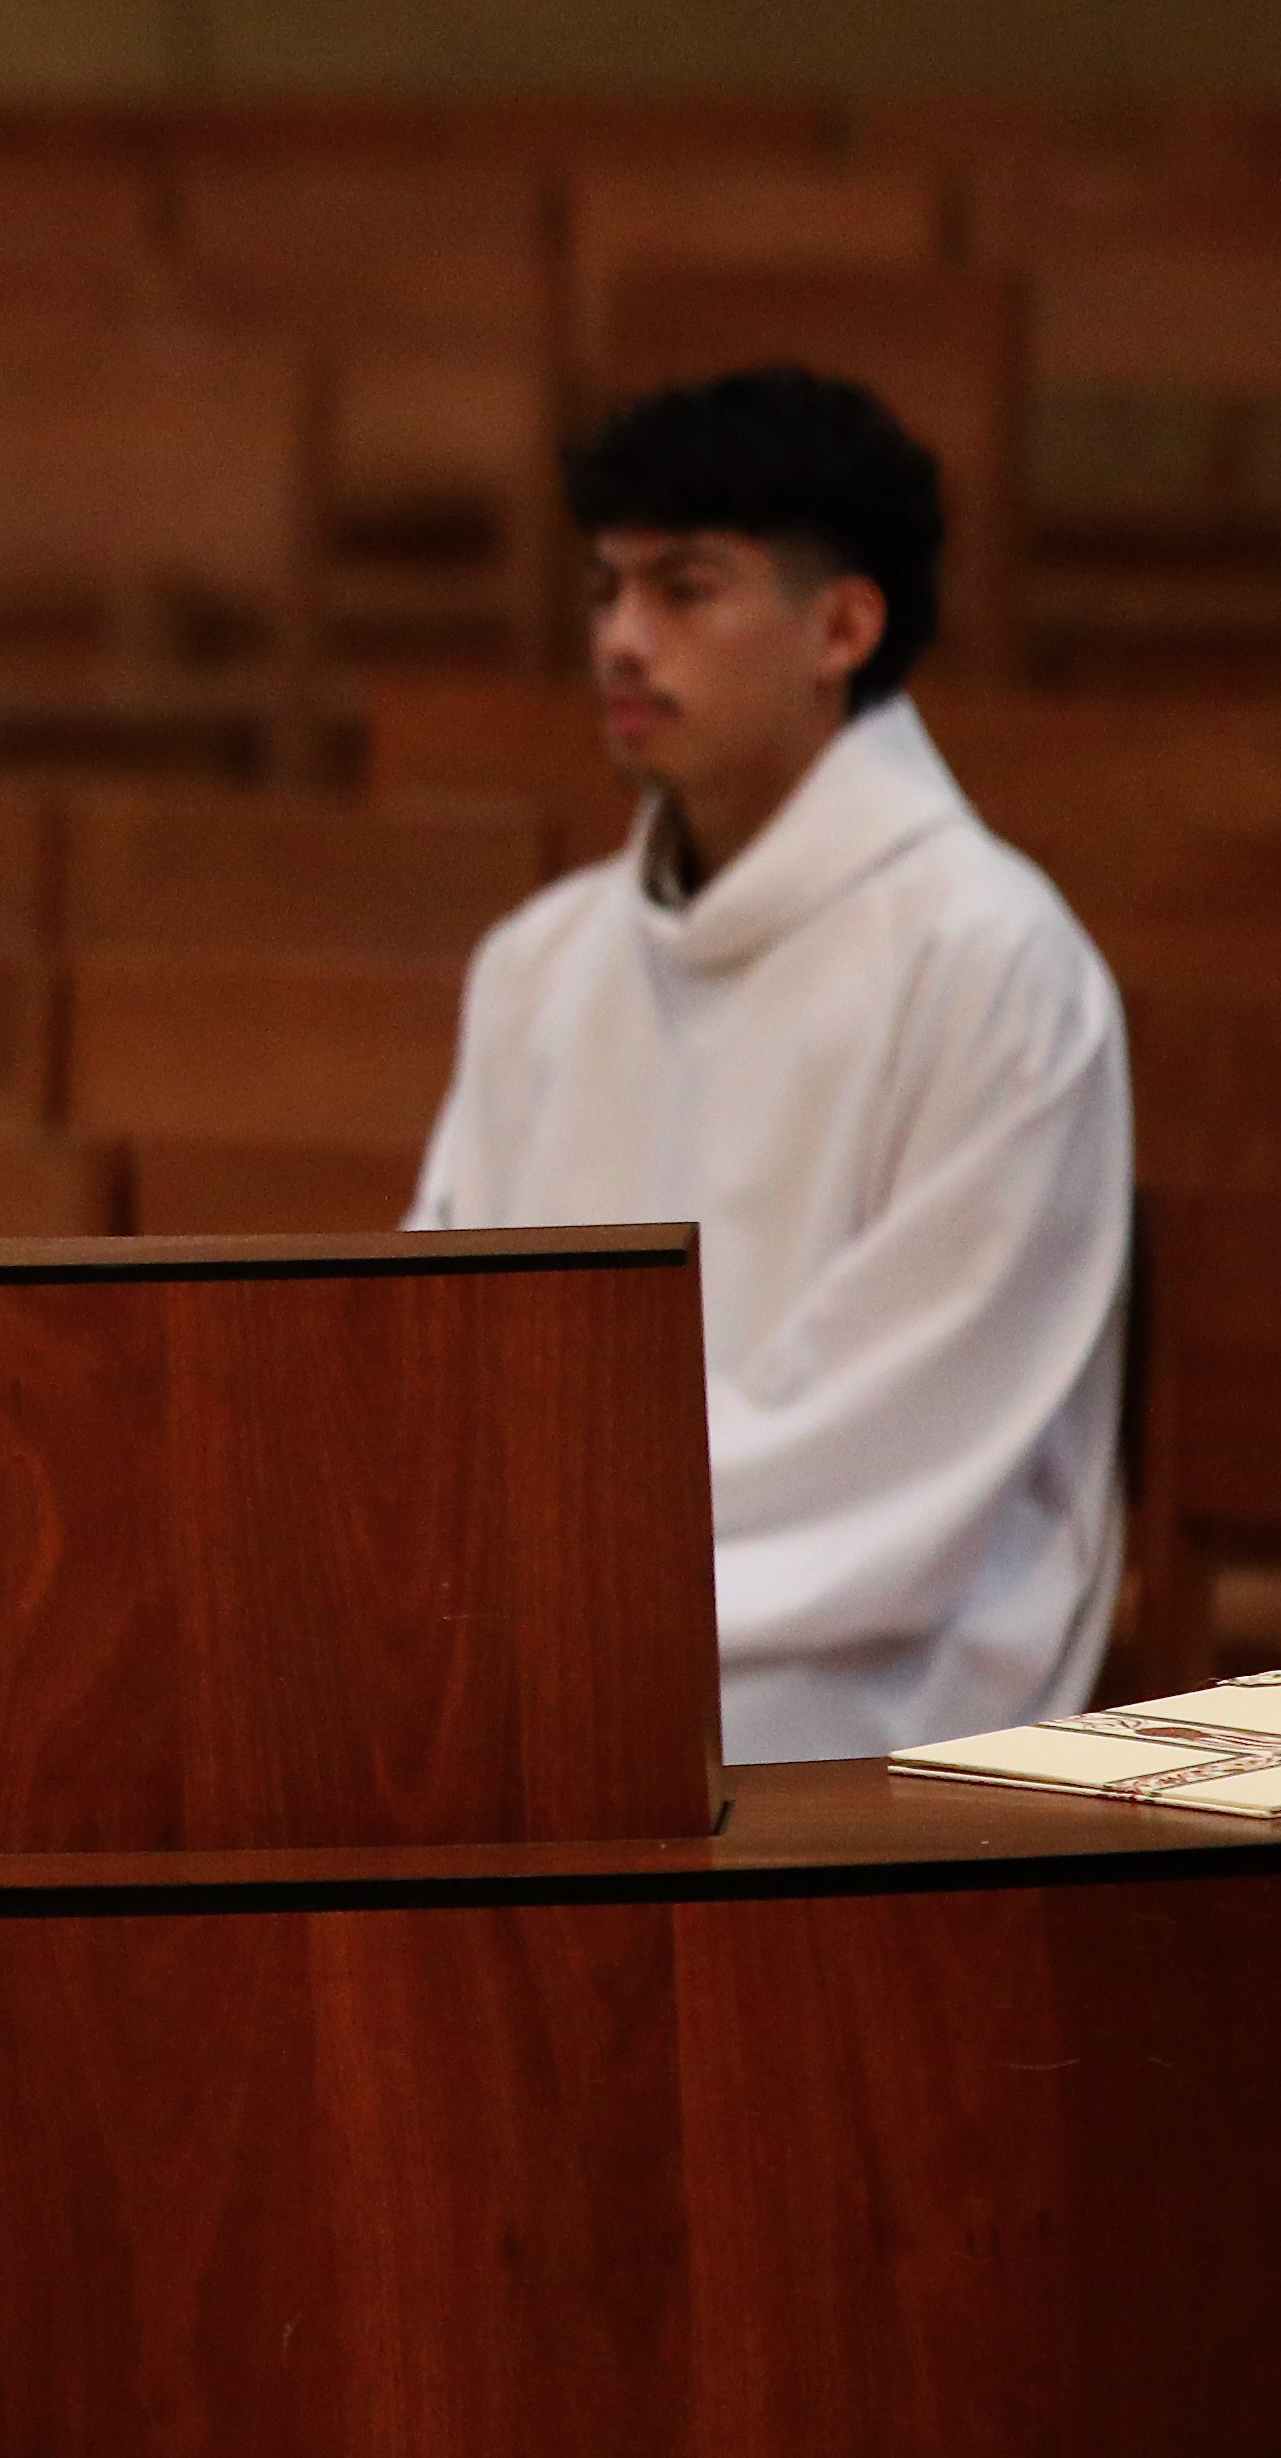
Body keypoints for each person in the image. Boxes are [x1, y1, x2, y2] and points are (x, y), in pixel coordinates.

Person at [412, 366, 1130, 1767]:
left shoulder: (992, 964)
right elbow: (435, 1336)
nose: (620, 640)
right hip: (558, 1603)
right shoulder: (538, 962)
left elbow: (897, 1437)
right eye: (604, 589)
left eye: (682, 589)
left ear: (842, 625)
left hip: (870, 1663)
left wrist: (540, 1576)